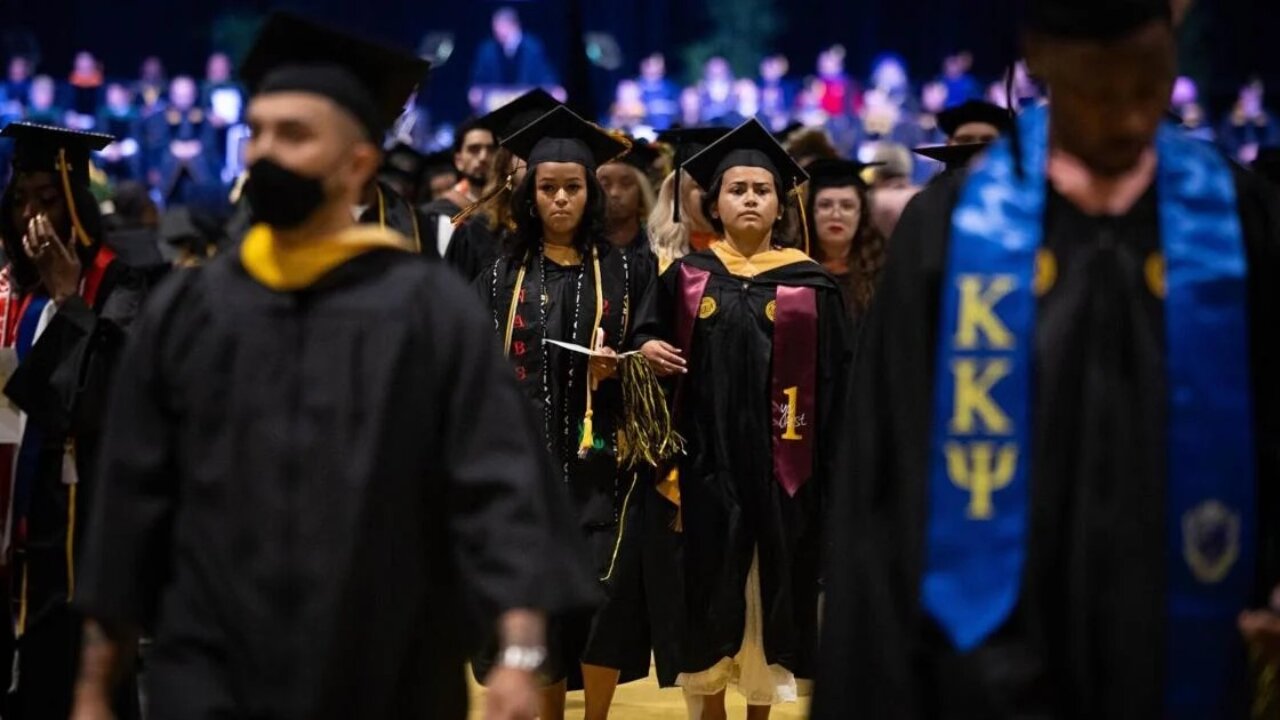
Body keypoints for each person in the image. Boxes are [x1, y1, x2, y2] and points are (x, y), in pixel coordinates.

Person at [68, 12, 597, 720]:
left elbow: (499, 486)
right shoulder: (190, 310)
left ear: (358, 165)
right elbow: (133, 496)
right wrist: (96, 682)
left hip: (387, 665)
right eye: (256, 134)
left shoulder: (427, 311)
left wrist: (520, 654)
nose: (265, 154)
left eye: (294, 136)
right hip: (211, 666)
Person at [814, 0, 1280, 717]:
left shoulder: (1235, 219)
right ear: (1039, 64)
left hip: (1189, 630)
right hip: (990, 652)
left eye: (1148, 87)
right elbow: (888, 471)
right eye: (1097, 93)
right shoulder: (954, 227)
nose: (1128, 119)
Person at [648, 118, 853, 720]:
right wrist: (646, 354)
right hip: (703, 467)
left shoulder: (811, 287)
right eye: (737, 189)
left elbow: (838, 386)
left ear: (779, 204)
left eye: (762, 190)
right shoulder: (685, 278)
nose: (750, 200)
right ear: (714, 201)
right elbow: (647, 349)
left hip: (781, 470)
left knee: (768, 593)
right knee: (707, 592)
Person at [473, 104, 663, 720]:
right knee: (544, 606)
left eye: (573, 188)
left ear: (592, 193)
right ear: (530, 194)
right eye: (548, 188)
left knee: (605, 601)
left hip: (604, 463)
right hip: (528, 466)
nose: (560, 200)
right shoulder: (502, 274)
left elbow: (652, 354)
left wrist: (624, 365)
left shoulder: (632, 270)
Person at [0, 122, 148, 720]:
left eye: (47, 198)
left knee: (65, 673)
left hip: (74, 517)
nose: (31, 214)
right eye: (20, 199)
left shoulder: (118, 280)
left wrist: (70, 300)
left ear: (77, 203)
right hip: (8, 506)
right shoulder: (7, 285)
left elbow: (111, 399)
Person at [442, 89, 561, 278]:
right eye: (526, 151)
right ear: (505, 164)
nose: (537, 160)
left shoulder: (570, 232)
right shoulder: (477, 233)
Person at [804, 158, 887, 325]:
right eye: (825, 205)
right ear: (811, 213)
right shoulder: (794, 271)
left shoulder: (881, 273)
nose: (836, 215)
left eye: (847, 206)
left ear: (860, 214)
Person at [650, 127, 729, 269]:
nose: (712, 195)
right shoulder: (654, 256)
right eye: (700, 186)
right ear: (678, 191)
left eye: (722, 187)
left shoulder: (749, 255)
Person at [143, 76, 219, 205]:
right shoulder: (159, 117)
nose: (183, 100)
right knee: (169, 158)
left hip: (199, 158)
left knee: (200, 160)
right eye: (179, 95)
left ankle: (208, 201)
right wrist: (173, 147)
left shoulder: (204, 117)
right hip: (167, 160)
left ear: (194, 95)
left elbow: (209, 143)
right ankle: (159, 199)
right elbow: (155, 144)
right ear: (172, 95)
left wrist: (197, 147)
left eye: (187, 95)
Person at [470, 7, 559, 93]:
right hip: (497, 97)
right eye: (495, 27)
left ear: (514, 25)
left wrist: (554, 89)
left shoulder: (532, 47)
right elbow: (479, 79)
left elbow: (544, 73)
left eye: (502, 26)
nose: (497, 31)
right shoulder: (488, 49)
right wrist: (475, 90)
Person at [598, 140, 658, 255]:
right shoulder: (582, 249)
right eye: (605, 185)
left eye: (626, 184)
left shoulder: (659, 249)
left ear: (641, 190)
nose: (614, 193)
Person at [1219, 79, 1280, 166]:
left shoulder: (1270, 118)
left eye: (1252, 98)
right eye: (1245, 97)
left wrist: (1259, 151)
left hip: (1264, 166)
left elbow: (1275, 142)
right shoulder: (1230, 118)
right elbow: (1223, 142)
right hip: (1238, 166)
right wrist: (1239, 151)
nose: (1248, 101)